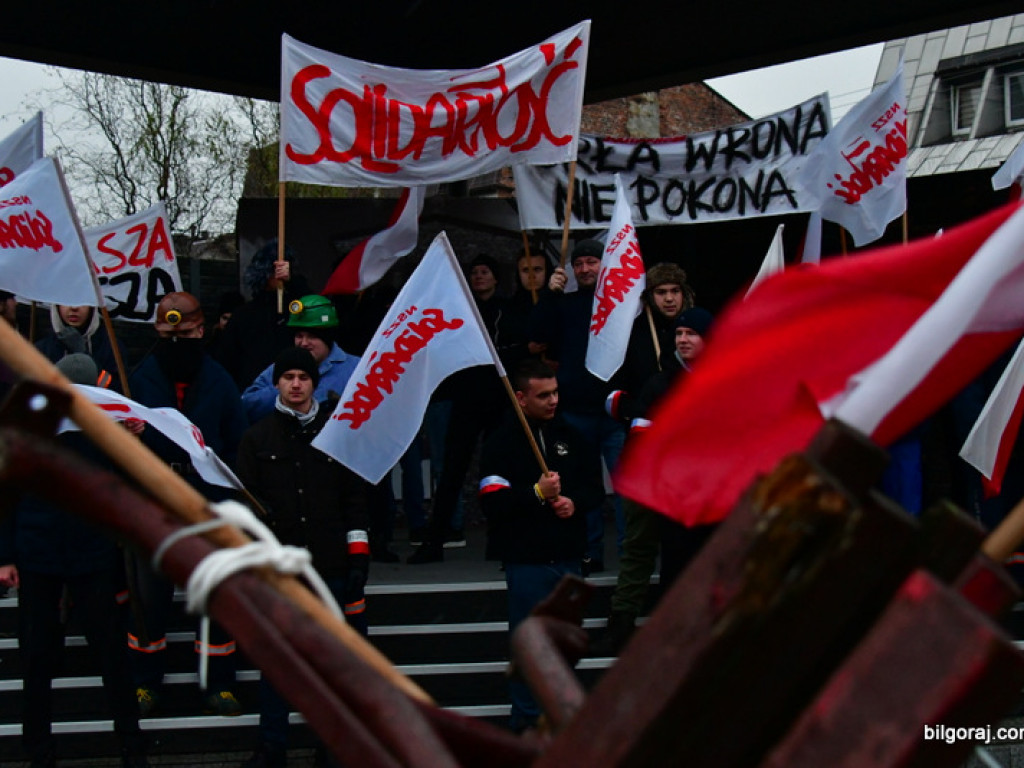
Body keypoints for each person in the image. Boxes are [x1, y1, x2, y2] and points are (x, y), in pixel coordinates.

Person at [0, 354, 149, 768]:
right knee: (36, 658)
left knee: (111, 656)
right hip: (39, 555)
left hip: (91, 553)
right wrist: (6, 556)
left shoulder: (104, 432)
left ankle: (131, 744)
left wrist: (129, 442)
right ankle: (38, 749)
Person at [236, 347, 372, 768]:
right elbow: (245, 507)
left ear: (316, 383)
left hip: (330, 564)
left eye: (304, 377)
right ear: (277, 382)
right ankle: (272, 744)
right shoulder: (257, 437)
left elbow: (356, 499)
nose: (296, 384)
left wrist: (358, 556)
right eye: (288, 376)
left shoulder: (337, 433)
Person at [126, 292, 249, 717]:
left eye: (187, 332)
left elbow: (237, 443)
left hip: (207, 503)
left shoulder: (220, 380)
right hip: (154, 505)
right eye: (170, 334)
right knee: (149, 600)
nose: (179, 340)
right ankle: (145, 681)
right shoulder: (138, 380)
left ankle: (219, 683)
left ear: (202, 330)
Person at [477, 359, 603, 732]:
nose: (553, 401)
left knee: (563, 648)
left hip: (567, 560)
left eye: (556, 392)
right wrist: (536, 493)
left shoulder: (572, 436)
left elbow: (594, 488)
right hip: (526, 562)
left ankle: (563, 722)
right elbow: (492, 501)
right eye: (543, 395)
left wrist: (574, 503)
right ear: (521, 398)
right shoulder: (501, 442)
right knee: (528, 648)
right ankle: (527, 725)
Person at [602, 307, 715, 653]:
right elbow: (640, 437)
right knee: (639, 550)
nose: (682, 340)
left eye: (690, 334)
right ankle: (621, 624)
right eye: (679, 335)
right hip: (651, 487)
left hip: (701, 494)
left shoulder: (721, 380)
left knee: (690, 557)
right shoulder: (659, 384)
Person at [529, 239, 624, 574]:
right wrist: (550, 294)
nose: (584, 269)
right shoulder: (565, 304)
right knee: (584, 488)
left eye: (591, 262)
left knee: (624, 487)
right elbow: (536, 335)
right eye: (579, 263)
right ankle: (589, 552)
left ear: (604, 265)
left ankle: (628, 554)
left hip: (614, 412)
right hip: (575, 411)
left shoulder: (621, 304)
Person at [408, 254, 508, 564]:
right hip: (464, 400)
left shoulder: (506, 309)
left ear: (495, 277)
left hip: (499, 400)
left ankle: (501, 541)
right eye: (474, 272)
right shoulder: (461, 312)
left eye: (484, 271)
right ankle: (435, 540)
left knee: (498, 473)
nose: (479, 277)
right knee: (451, 470)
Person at [240, 294, 360, 424]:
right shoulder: (280, 367)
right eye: (299, 336)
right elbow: (246, 406)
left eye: (312, 336)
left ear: (327, 338)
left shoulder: (357, 369)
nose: (303, 343)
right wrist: (284, 388)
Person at [216, 240, 311, 391]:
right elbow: (227, 360)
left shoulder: (297, 308)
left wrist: (292, 282)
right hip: (253, 393)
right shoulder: (243, 315)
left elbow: (314, 312)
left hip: (294, 391)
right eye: (273, 269)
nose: (278, 274)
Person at [35, 303, 126, 389]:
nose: (74, 308)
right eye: (66, 302)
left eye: (82, 303)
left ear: (92, 307)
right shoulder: (41, 349)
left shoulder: (112, 348)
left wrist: (83, 352)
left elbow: (114, 389)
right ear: (57, 306)